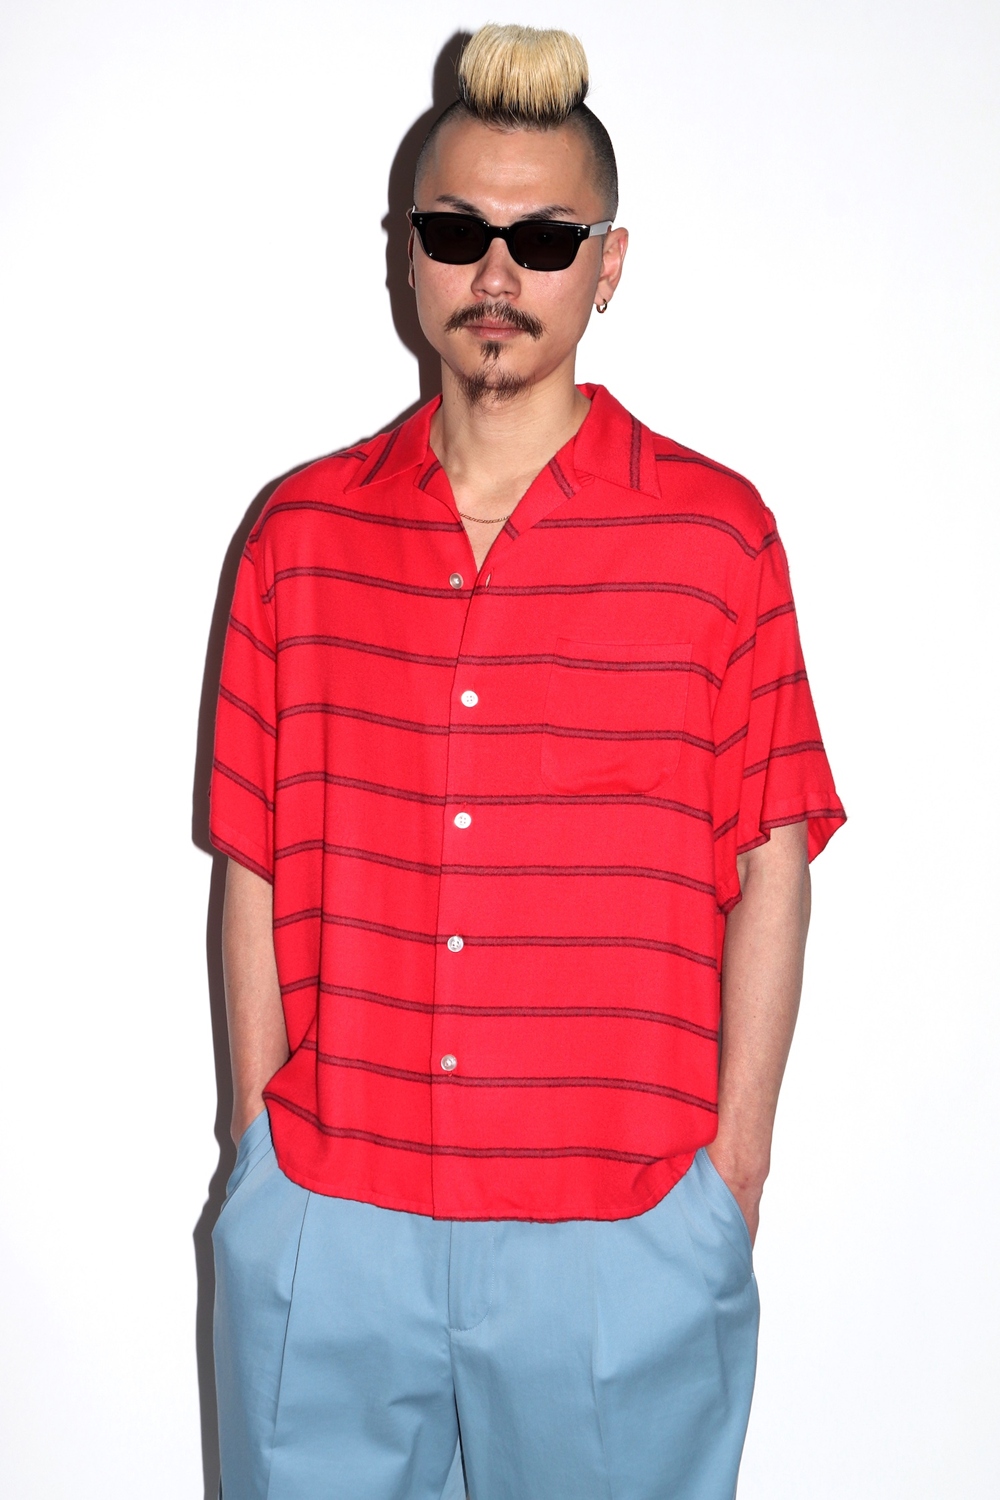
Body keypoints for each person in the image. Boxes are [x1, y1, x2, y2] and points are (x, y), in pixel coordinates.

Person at [209, 23, 845, 1500]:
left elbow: (774, 855)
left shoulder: (717, 538)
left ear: (606, 267)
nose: (498, 273)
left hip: (620, 1237)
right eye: (459, 232)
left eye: (545, 239)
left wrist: (733, 1174)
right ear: (407, 255)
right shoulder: (300, 537)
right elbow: (252, 855)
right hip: (331, 1216)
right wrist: (257, 1150)